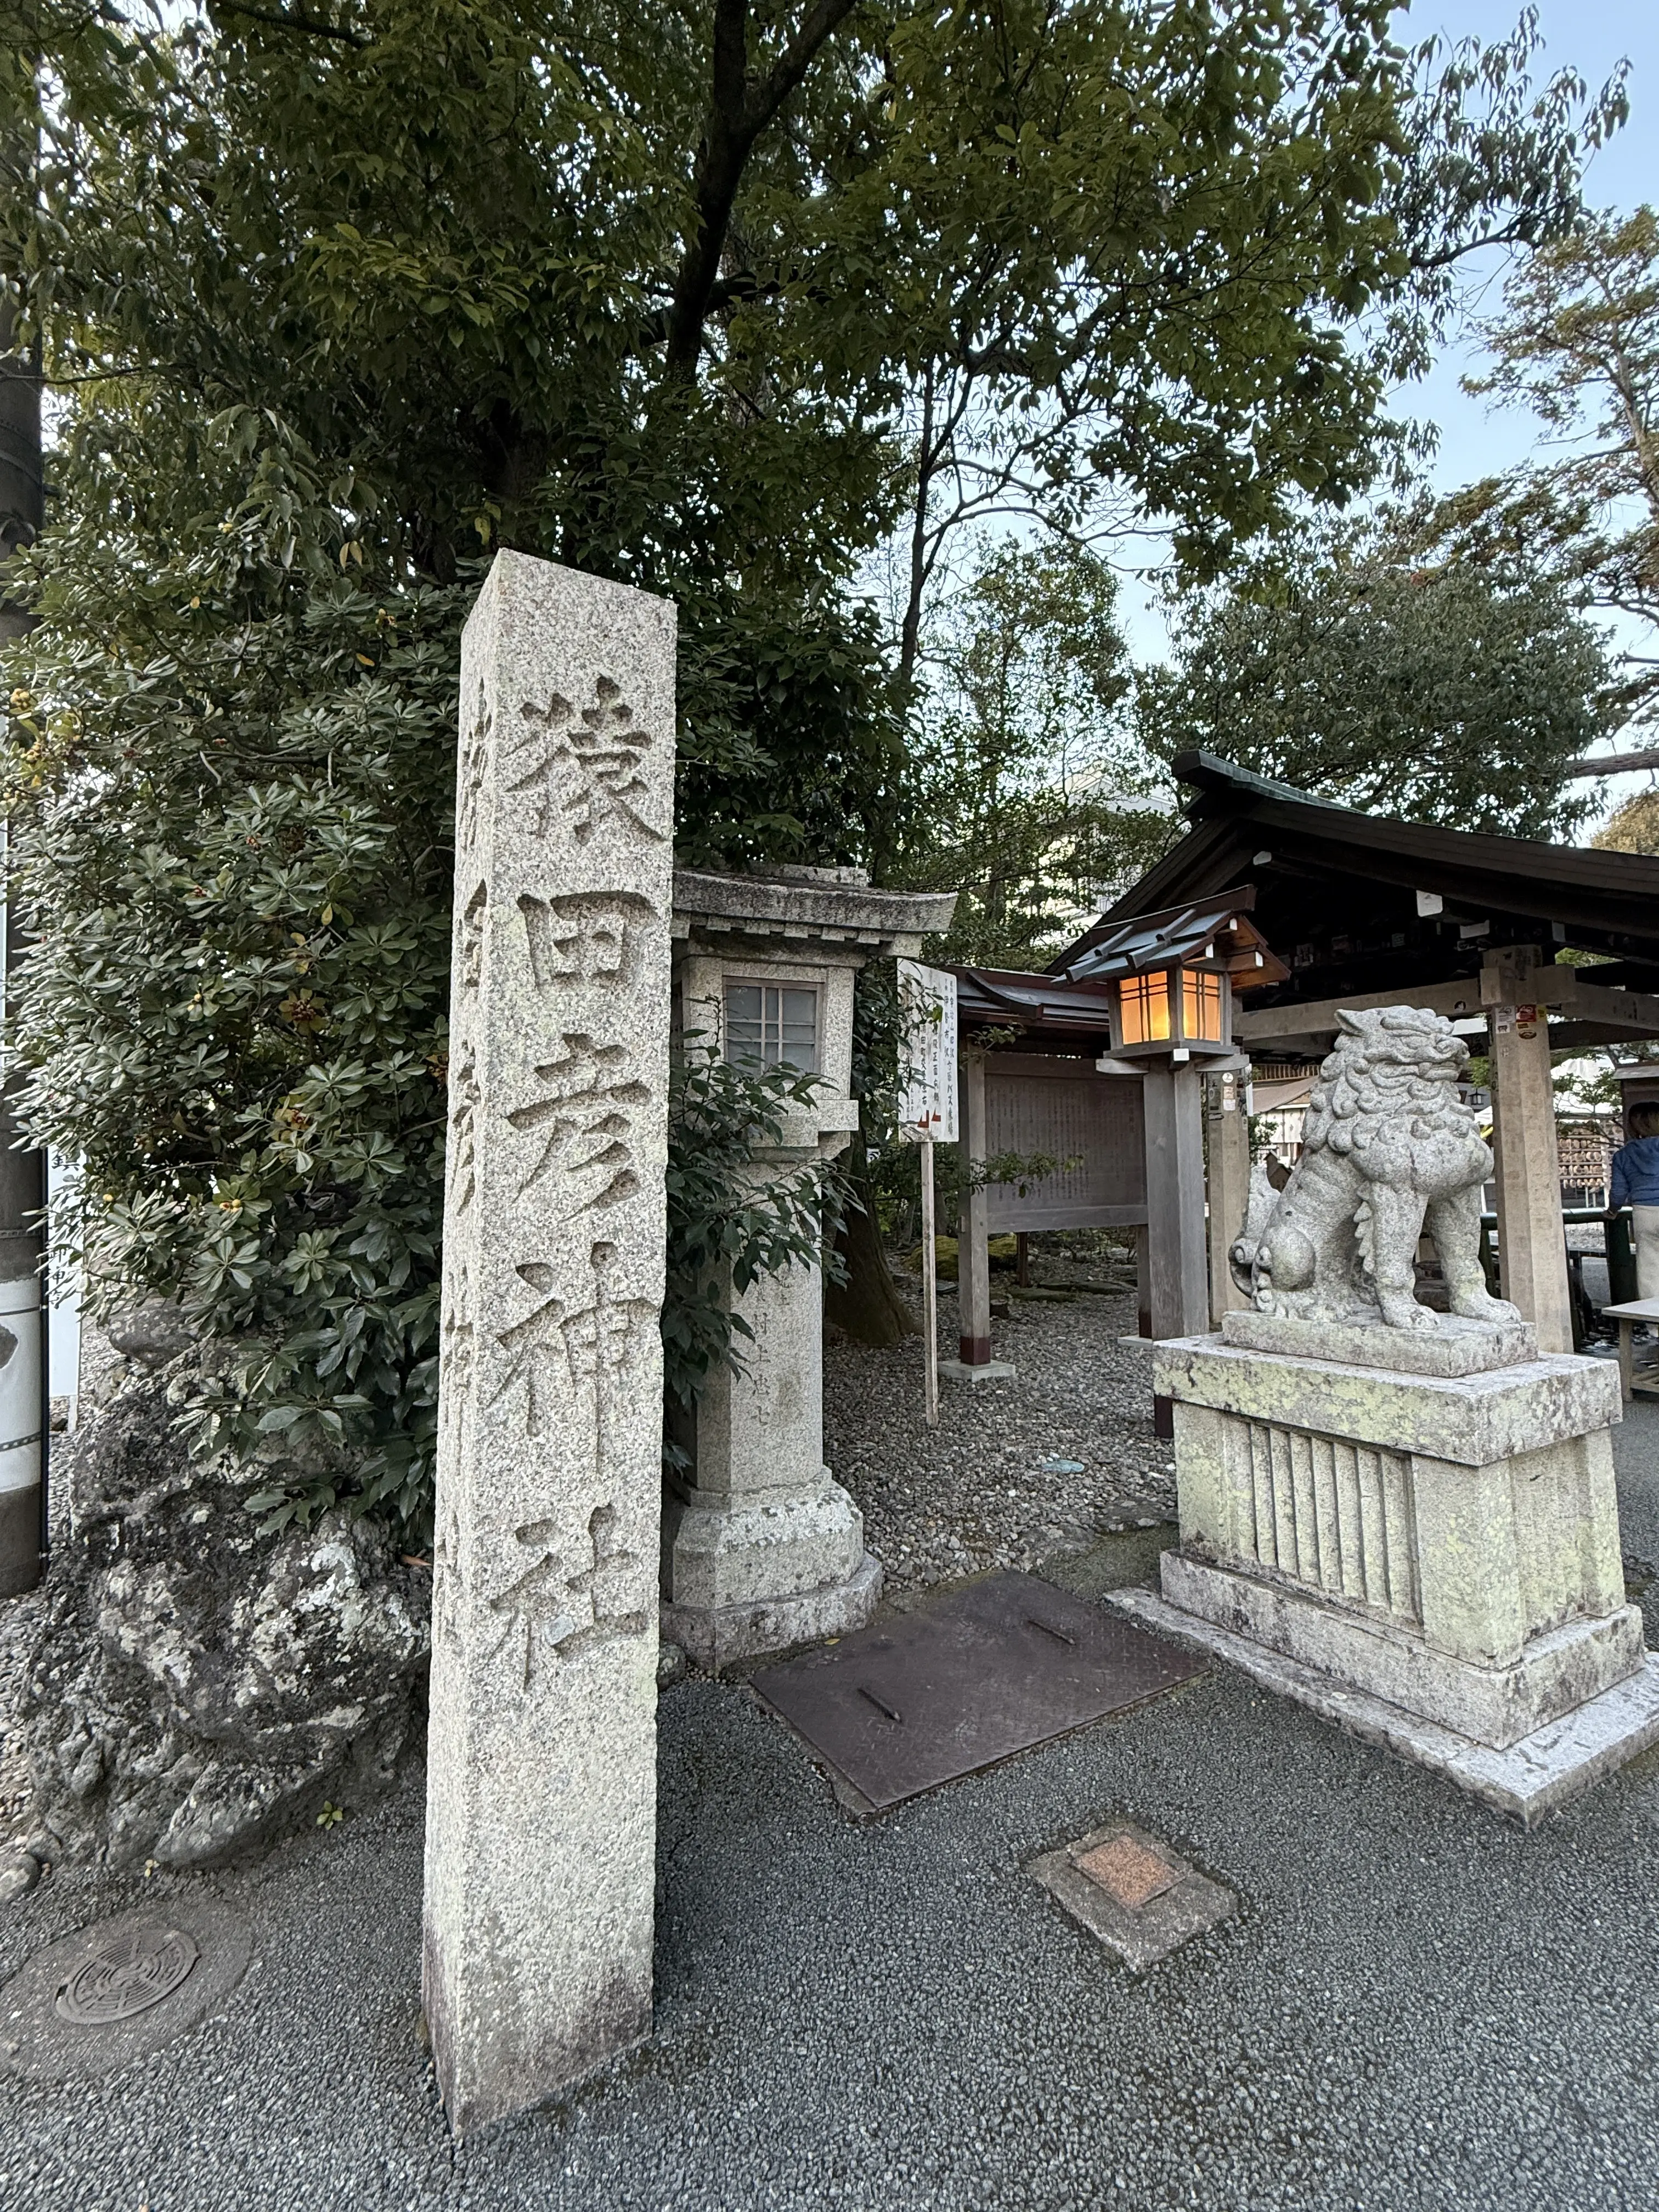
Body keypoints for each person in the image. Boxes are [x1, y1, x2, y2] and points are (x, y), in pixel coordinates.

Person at [1610, 1103, 1659, 1303]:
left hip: (1644, 1213)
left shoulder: (1623, 1156)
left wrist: (1613, 1210)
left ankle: (1655, 1325)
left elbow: (1618, 1192)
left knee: (1650, 1268)